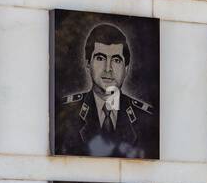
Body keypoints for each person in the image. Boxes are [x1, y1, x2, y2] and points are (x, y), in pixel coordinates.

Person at [56, 22, 158, 158]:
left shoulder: (146, 118)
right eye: (100, 58)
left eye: (116, 60)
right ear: (88, 63)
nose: (108, 68)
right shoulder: (65, 113)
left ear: (126, 68)